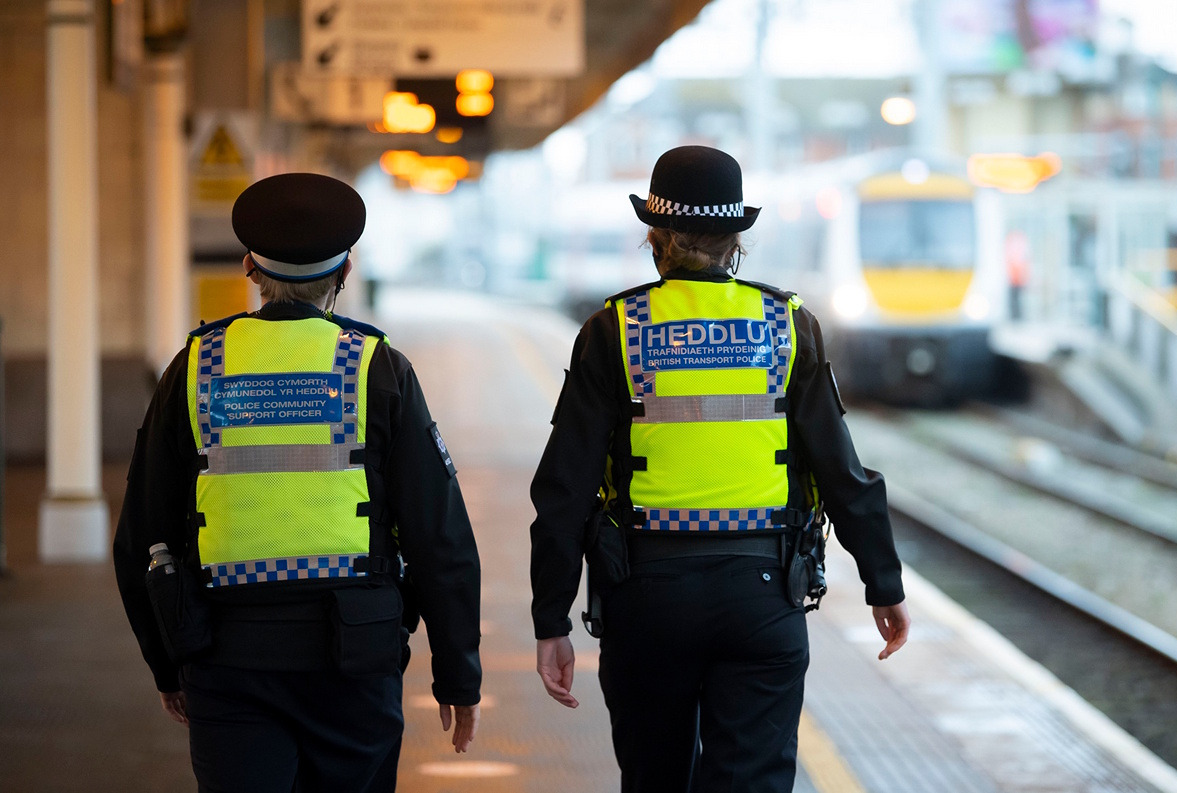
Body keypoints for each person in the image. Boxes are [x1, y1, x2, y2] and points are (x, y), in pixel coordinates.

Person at [529, 146, 910, 793]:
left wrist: (551, 620)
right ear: (735, 241)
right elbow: (840, 470)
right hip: (763, 594)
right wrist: (883, 582)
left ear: (656, 237)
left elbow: (564, 489)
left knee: (655, 780)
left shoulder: (614, 329)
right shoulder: (786, 325)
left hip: (645, 597)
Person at [113, 172, 482, 792]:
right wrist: (457, 673)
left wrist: (166, 662)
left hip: (225, 658)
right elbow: (438, 535)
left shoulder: (197, 367)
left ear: (250, 268)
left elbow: (143, 532)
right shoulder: (377, 367)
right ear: (345, 272)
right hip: (355, 657)